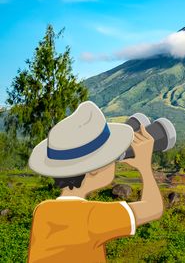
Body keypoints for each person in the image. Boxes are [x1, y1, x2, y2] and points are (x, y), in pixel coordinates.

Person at [27, 101, 164, 263]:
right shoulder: (91, 217)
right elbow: (154, 208)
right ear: (94, 169)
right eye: (111, 156)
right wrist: (144, 165)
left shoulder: (43, 211)